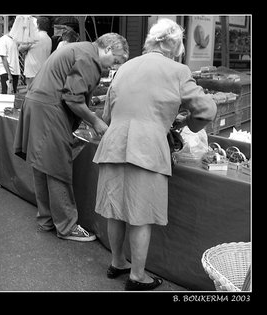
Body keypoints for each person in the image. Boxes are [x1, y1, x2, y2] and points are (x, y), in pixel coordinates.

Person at [92, 19, 217, 291]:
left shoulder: (124, 68)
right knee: (140, 214)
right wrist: (187, 123)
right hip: (147, 148)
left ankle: (117, 262)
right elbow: (206, 110)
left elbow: (108, 115)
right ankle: (138, 276)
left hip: (114, 144)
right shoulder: (178, 70)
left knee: (116, 209)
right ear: (172, 44)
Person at [13, 33, 129, 242]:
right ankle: (66, 226)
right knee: (57, 167)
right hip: (49, 108)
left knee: (42, 165)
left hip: (36, 104)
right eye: (116, 60)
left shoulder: (81, 49)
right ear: (109, 49)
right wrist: (95, 122)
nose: (114, 66)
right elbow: (73, 99)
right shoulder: (89, 58)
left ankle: (46, 219)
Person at [18, 16, 52, 88]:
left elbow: (20, 48)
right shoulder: (49, 39)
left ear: (38, 25)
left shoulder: (35, 37)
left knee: (31, 92)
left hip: (32, 72)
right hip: (43, 71)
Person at [0, 17, 20, 94]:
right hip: (6, 72)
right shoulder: (3, 39)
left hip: (15, 72)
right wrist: (9, 74)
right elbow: (3, 58)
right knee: (6, 94)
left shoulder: (15, 41)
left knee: (13, 94)